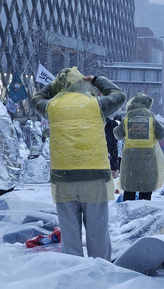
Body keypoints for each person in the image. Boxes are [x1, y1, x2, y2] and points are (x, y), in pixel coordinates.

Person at [31, 67, 125, 261]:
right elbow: (119, 95)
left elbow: (36, 98)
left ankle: (73, 271)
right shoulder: (96, 104)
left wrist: (58, 83)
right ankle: (100, 272)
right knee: (98, 233)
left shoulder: (52, 106)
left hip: (63, 179)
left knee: (70, 234)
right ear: (84, 83)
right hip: (95, 177)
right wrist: (97, 80)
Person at [113, 93, 164, 202]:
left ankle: (128, 214)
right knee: (146, 191)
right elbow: (162, 134)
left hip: (130, 159)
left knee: (129, 189)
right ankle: (144, 214)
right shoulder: (150, 116)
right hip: (148, 159)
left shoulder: (128, 116)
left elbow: (118, 135)